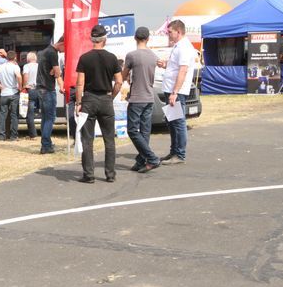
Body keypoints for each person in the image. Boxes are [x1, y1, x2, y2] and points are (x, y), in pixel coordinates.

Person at [75, 25, 122, 182]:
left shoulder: (84, 58)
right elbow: (119, 82)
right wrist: (112, 96)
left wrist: (78, 102)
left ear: (91, 39)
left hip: (88, 99)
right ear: (105, 40)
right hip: (105, 99)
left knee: (87, 139)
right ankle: (110, 174)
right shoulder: (112, 58)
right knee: (109, 139)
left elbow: (80, 83)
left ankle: (89, 175)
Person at [121, 26, 160, 173]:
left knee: (132, 130)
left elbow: (124, 75)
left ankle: (151, 158)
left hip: (137, 97)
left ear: (135, 38)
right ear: (148, 39)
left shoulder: (132, 55)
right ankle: (140, 160)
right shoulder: (153, 56)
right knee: (144, 131)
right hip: (149, 96)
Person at [157, 20, 196, 165]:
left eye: (170, 32)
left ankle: (179, 154)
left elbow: (183, 70)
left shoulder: (184, 47)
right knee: (172, 121)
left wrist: (175, 92)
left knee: (178, 122)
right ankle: (174, 151)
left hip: (176, 91)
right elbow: (176, 66)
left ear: (178, 31)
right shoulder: (178, 46)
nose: (169, 35)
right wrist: (165, 64)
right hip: (171, 89)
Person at [36, 36, 65, 154]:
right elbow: (57, 73)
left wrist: (54, 71)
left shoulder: (43, 51)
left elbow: (52, 70)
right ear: (62, 43)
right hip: (48, 89)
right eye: (65, 48)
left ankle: (46, 143)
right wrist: (58, 73)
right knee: (50, 118)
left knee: (45, 118)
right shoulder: (53, 53)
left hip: (40, 88)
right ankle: (46, 145)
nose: (64, 51)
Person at [0, 50, 22, 141]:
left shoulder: (1, 67)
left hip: (3, 94)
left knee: (2, 115)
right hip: (13, 93)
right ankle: (13, 136)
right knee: (14, 115)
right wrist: (20, 86)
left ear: (6, 58)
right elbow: (18, 76)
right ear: (15, 58)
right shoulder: (15, 67)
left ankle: (2, 136)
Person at [21, 51, 39, 139]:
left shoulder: (26, 66)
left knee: (30, 113)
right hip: (40, 89)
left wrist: (24, 85)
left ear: (28, 59)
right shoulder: (40, 65)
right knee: (44, 111)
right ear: (35, 59)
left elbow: (26, 76)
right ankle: (45, 132)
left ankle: (33, 134)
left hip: (31, 89)